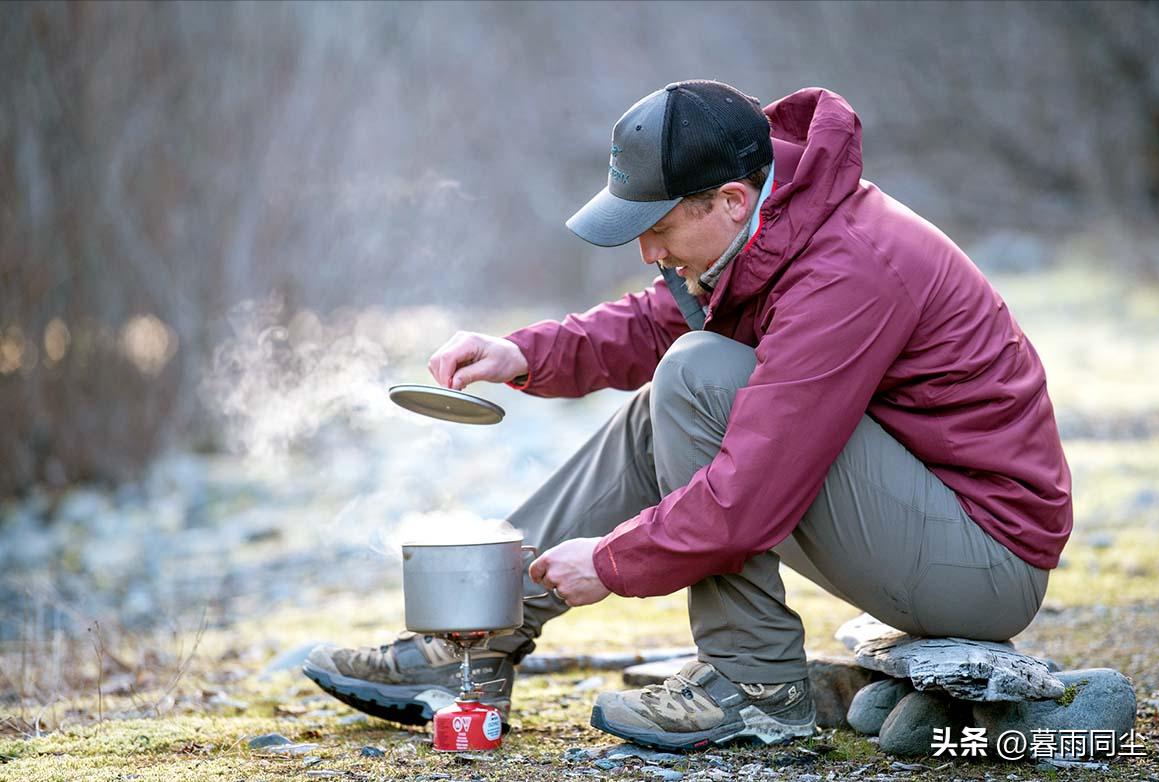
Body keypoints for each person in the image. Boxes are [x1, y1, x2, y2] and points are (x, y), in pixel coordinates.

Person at [304, 81, 1072, 750]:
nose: (646, 251)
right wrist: (520, 353)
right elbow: (654, 323)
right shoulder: (775, 230)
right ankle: (474, 637)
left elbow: (753, 493)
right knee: (676, 387)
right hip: (922, 524)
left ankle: (754, 689)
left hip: (981, 564)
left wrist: (608, 562)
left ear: (730, 200)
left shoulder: (847, 270)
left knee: (698, 376)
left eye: (659, 228)